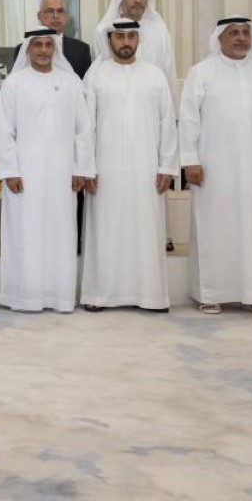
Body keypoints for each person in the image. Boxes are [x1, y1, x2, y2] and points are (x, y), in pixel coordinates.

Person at [180, 16, 252, 315]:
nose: (241, 39)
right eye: (234, 33)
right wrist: (190, 160)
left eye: (245, 33)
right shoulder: (202, 72)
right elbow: (188, 118)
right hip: (212, 166)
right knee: (213, 227)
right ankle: (210, 294)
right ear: (219, 39)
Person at [80, 19, 178, 312]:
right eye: (120, 36)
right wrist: (87, 167)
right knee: (105, 231)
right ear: (110, 40)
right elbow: (85, 126)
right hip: (105, 169)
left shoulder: (155, 76)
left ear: (139, 39)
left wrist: (167, 166)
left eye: (131, 36)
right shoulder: (96, 75)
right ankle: (99, 295)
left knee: (146, 231)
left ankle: (150, 296)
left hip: (147, 169)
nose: (126, 42)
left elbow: (167, 124)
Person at [0, 28, 95, 313]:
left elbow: (83, 130)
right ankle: (24, 295)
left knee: (60, 233)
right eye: (37, 45)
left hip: (63, 174)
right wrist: (10, 171)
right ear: (28, 49)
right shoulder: (14, 83)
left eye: (48, 45)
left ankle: (59, 296)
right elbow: (4, 130)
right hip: (24, 174)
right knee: (25, 232)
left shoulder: (71, 82)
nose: (42, 50)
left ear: (55, 49)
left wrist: (81, 168)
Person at [89, 0, 175, 91]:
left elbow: (168, 69)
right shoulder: (103, 31)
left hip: (152, 95)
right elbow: (98, 72)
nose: (138, 0)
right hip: (115, 94)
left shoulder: (159, 30)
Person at [10, 0, 94, 78]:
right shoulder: (24, 49)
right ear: (39, 16)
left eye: (60, 11)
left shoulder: (81, 50)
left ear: (66, 16)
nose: (56, 16)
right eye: (50, 11)